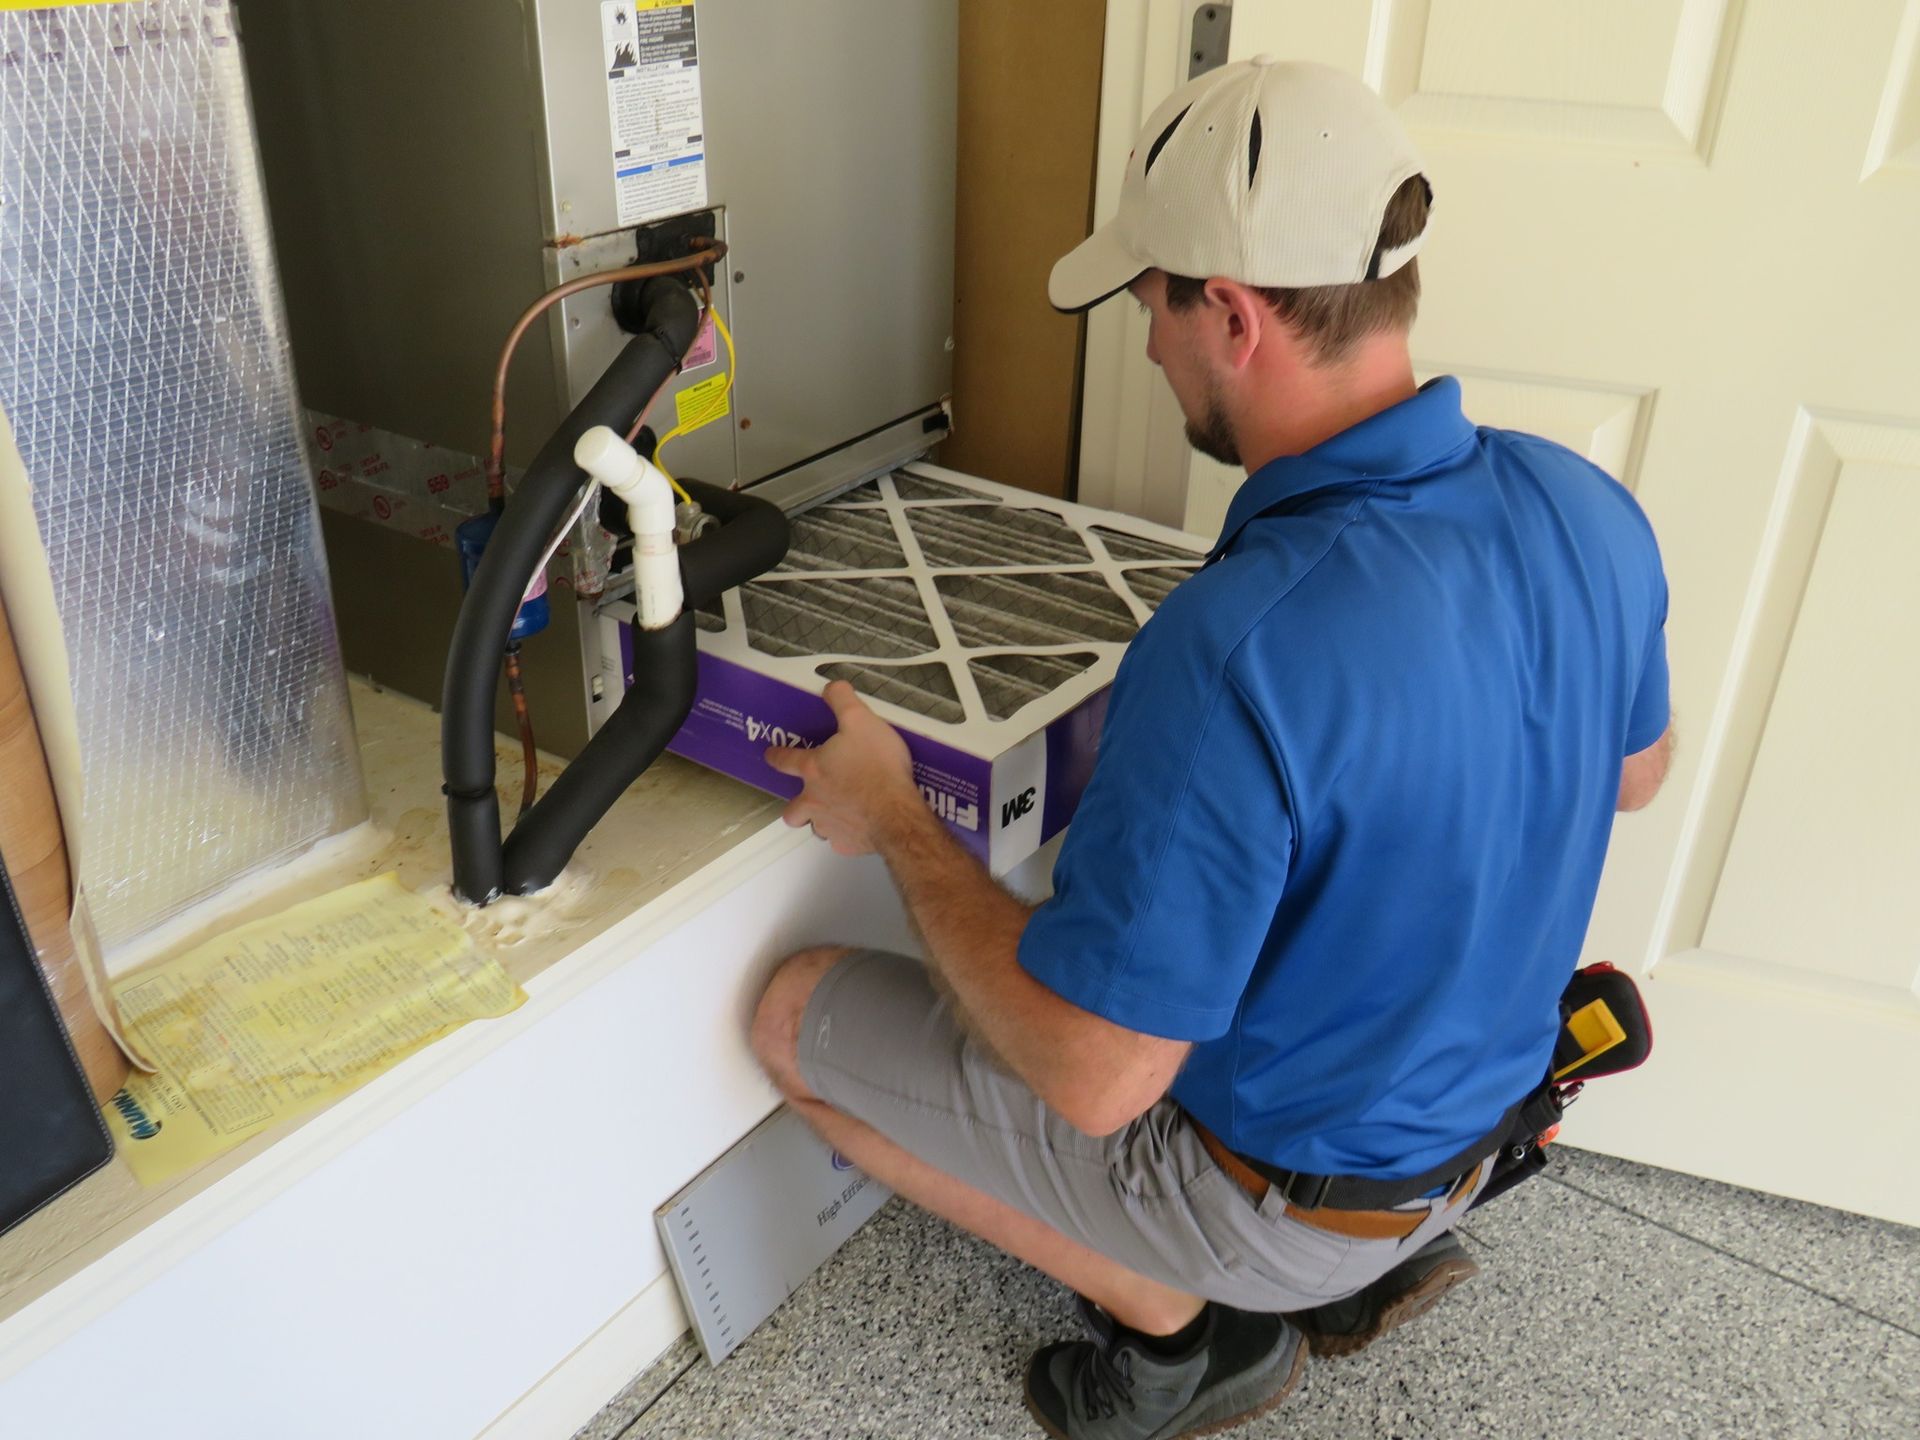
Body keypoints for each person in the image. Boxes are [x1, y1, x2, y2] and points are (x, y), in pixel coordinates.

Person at [750, 57, 1672, 1440]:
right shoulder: (1581, 503)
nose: (1142, 344)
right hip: (1482, 1129)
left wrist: (891, 813)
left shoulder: (1242, 641)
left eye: (1149, 305)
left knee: (790, 1015)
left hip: (1296, 1197)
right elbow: (1632, 779)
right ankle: (1336, 1266)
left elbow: (1096, 1079)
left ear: (1229, 314)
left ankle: (1184, 1334)